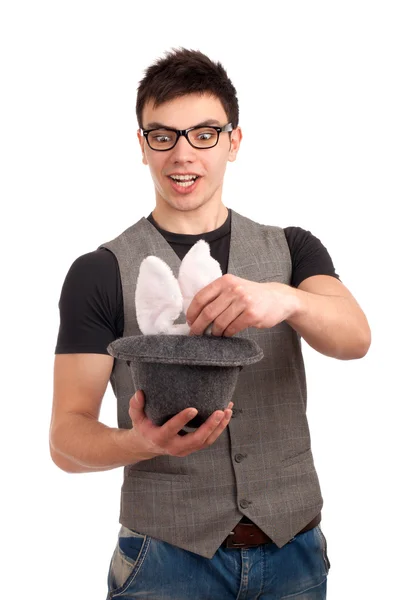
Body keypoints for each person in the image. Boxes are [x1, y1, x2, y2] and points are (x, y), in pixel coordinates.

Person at [50, 47, 371, 599]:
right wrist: (139, 443)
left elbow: (355, 338)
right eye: (163, 135)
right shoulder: (99, 271)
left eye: (204, 134)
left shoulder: (292, 250)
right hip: (163, 561)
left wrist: (287, 300)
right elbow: (65, 439)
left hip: (294, 552)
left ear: (233, 142)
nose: (183, 154)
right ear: (142, 146)